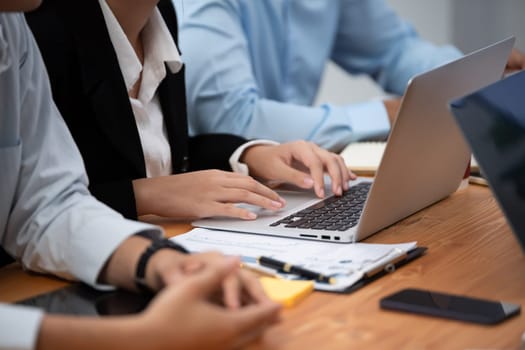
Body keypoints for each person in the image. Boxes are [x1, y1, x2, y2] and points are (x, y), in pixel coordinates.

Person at [0, 2, 281, 349]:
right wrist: (140, 338)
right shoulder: (44, 25)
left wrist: (160, 262)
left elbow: (45, 206)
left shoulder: (11, 27)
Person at [25, 0, 353, 224]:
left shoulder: (159, 14)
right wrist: (143, 196)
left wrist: (251, 155)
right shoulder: (38, 28)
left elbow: (163, 157)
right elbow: (30, 205)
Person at [178, 0, 525, 151]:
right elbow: (231, 119)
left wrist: (472, 73)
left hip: (297, 177)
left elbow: (393, 51)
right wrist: (390, 114)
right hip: (212, 187)